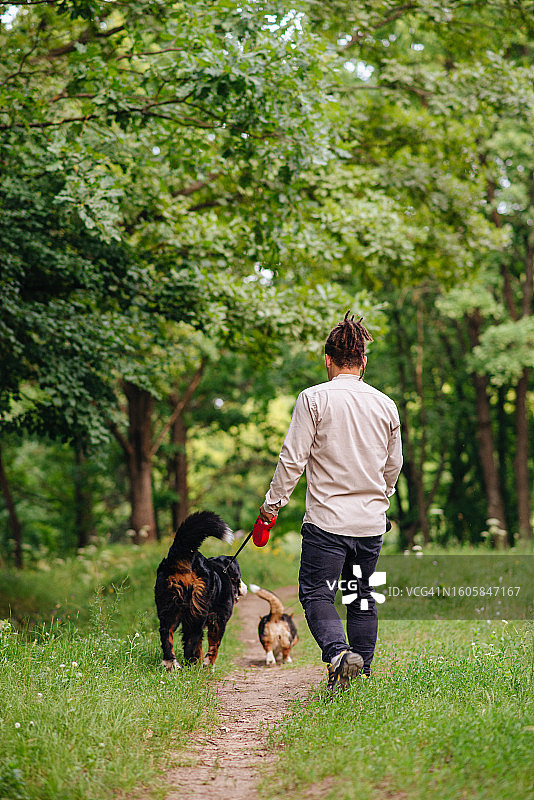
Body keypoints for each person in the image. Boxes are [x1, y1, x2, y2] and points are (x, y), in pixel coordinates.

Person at [259, 312, 402, 690]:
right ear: (363, 361)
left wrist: (272, 505)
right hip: (370, 524)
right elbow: (394, 464)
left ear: (328, 359)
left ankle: (340, 656)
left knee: (317, 593)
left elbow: (293, 460)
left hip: (327, 523)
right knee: (360, 594)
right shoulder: (386, 404)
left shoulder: (313, 399)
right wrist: (380, 497)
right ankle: (362, 673)